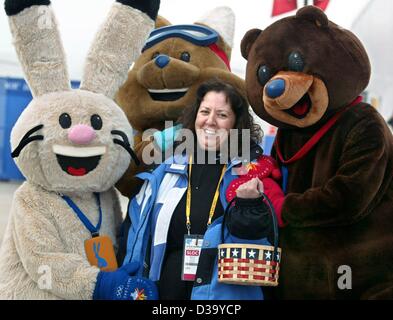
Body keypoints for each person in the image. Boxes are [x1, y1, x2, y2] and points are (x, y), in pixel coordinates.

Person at [118, 79, 275, 300]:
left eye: (222, 115)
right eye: (205, 111)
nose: (210, 121)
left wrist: (249, 207)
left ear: (235, 124)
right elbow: (135, 231)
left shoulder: (249, 173)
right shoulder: (166, 170)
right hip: (163, 293)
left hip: (221, 298)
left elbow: (258, 250)